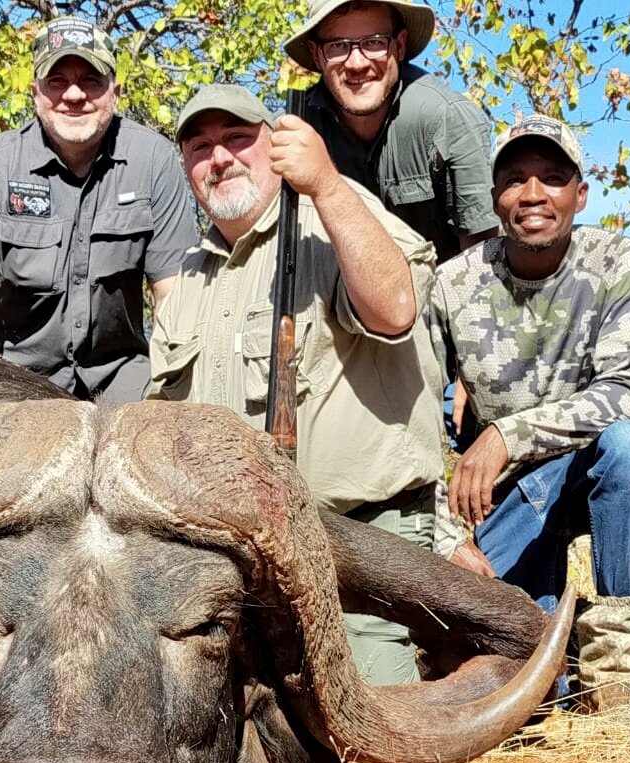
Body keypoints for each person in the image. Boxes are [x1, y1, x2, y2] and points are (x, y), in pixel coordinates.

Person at [148, 84, 440, 685]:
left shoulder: (334, 211)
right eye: (200, 146)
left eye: (237, 138)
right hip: (235, 559)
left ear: (276, 144)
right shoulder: (188, 283)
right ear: (186, 167)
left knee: (364, 745)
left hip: (358, 540)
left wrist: (327, 184)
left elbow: (394, 308)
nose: (219, 157)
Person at [431, 114, 630, 711]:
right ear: (495, 199)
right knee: (531, 696)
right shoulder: (451, 282)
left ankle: (618, 665)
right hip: (506, 498)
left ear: (579, 195)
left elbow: (629, 391)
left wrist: (505, 436)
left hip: (591, 474)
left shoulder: (615, 259)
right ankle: (562, 646)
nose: (533, 195)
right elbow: (405, 421)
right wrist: (443, 535)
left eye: (553, 178)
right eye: (515, 180)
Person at [0, 17, 198, 403]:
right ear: (35, 93)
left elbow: (173, 292)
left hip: (120, 377)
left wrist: (173, 390)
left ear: (116, 92)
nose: (74, 95)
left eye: (92, 81)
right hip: (5, 377)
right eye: (56, 81)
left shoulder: (153, 159)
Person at [284, 0, 499, 264]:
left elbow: (483, 259)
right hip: (334, 299)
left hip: (440, 298)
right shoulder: (294, 129)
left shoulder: (446, 118)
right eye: (338, 46)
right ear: (316, 54)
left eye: (374, 43)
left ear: (399, 45)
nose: (356, 63)